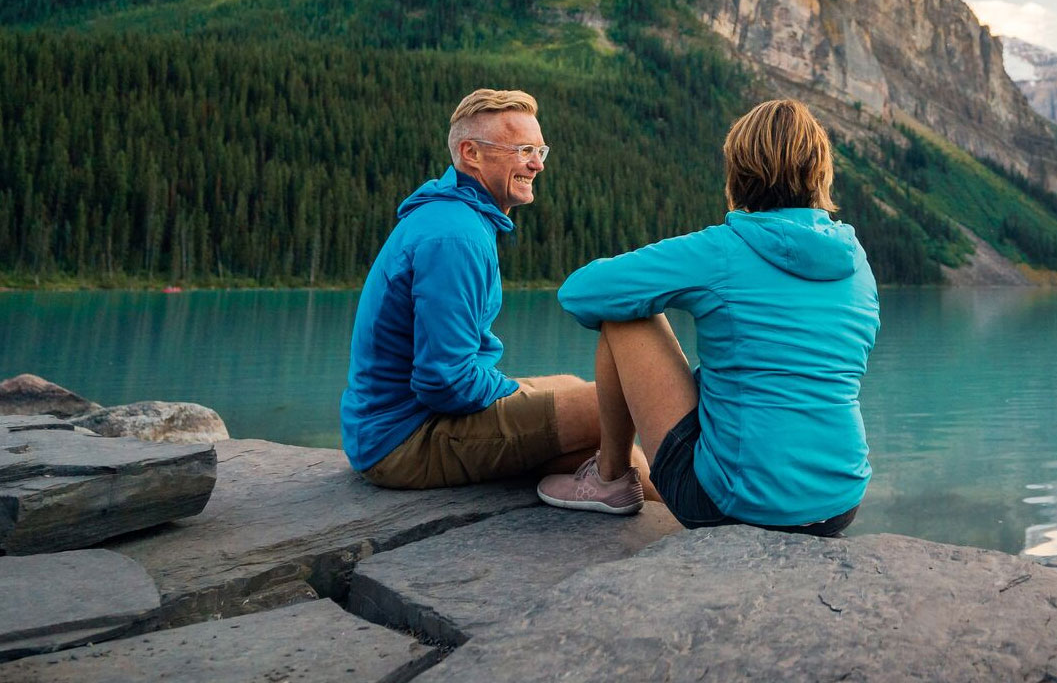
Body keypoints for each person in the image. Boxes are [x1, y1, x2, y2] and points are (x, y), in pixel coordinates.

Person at [537, 99, 879, 533]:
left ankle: (611, 479)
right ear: (820, 172)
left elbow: (581, 292)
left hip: (739, 507)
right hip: (840, 503)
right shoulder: (856, 261)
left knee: (625, 317)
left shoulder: (723, 249)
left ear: (740, 172)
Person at [341, 88, 634, 491]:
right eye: (524, 150)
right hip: (403, 441)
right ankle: (660, 509)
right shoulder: (455, 237)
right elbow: (444, 382)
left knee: (569, 385)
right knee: (611, 406)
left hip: (394, 427)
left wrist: (521, 398)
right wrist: (513, 392)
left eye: (540, 151)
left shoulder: (456, 216)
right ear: (471, 153)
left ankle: (615, 490)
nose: (537, 165)